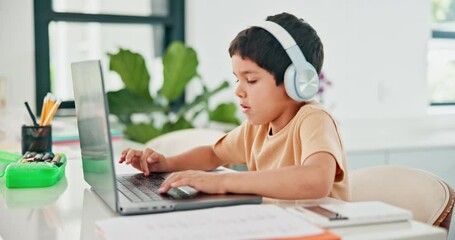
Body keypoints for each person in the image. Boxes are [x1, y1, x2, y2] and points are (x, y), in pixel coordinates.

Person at [120, 12, 350, 201]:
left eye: (251, 80)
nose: (238, 90)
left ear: (298, 82)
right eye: (237, 79)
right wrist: (166, 163)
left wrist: (224, 182)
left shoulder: (313, 119)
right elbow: (213, 154)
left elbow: (316, 180)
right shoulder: (257, 128)